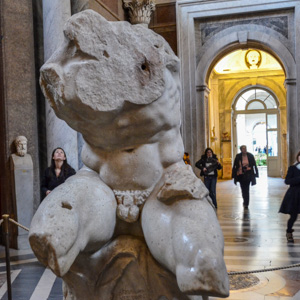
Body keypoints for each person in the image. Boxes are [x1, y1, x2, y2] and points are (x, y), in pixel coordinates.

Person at [279, 151, 300, 243]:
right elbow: (287, 181)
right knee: (293, 216)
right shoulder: (293, 168)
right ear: (298, 157)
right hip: (295, 194)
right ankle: (289, 232)